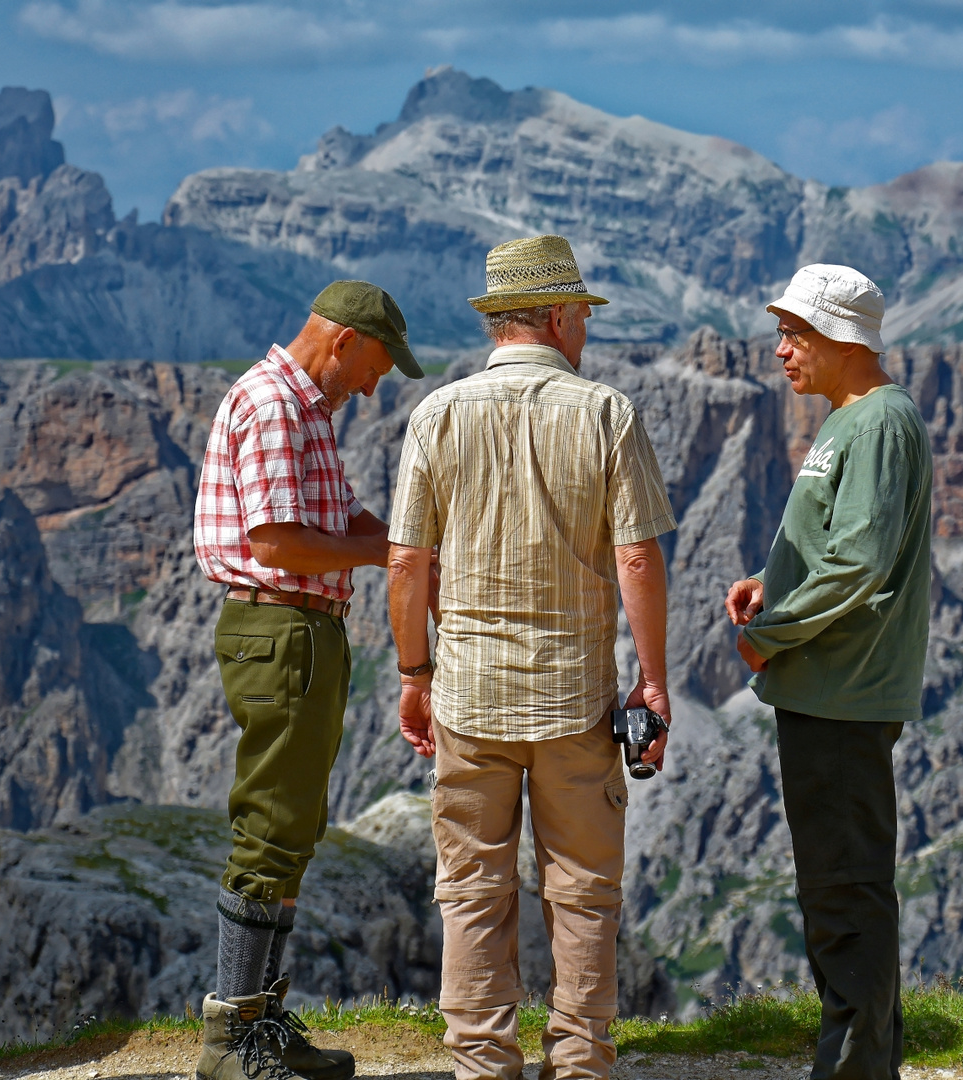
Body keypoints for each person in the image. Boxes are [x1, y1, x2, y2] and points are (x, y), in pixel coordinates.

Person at [385, 234, 676, 1080]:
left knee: (473, 891)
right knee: (582, 891)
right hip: (575, 697)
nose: (585, 327)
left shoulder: (437, 415)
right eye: (581, 312)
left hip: (468, 695)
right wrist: (652, 683)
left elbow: (407, 563)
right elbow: (637, 558)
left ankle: (482, 1063)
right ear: (554, 316)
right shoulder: (606, 412)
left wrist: (415, 675)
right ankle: (581, 1061)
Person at [191, 280, 426, 1080]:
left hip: (303, 631)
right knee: (269, 829)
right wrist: (383, 557)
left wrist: (408, 547)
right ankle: (230, 1043)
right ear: (345, 342)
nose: (373, 388)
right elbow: (282, 542)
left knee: (291, 831)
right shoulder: (274, 405)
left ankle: (259, 1021)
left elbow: (344, 519)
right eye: (377, 369)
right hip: (279, 625)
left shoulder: (307, 414)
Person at [724, 264, 933, 1080]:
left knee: (845, 890)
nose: (781, 350)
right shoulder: (853, 416)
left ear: (844, 340)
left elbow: (858, 561)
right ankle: (863, 1054)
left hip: (841, 689)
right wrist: (769, 577)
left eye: (796, 334)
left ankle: (853, 1068)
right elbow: (835, 541)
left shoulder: (878, 423)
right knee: (836, 884)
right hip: (826, 687)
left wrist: (767, 635)